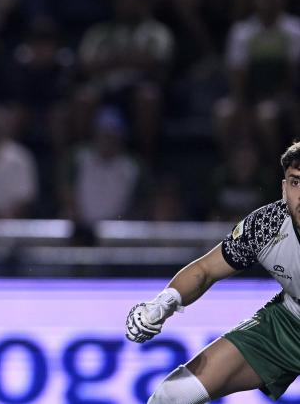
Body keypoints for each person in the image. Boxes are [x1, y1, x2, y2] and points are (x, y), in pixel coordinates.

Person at [126, 141, 300, 402]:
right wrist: (163, 303)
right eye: (296, 182)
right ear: (284, 189)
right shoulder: (268, 226)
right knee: (172, 395)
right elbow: (206, 269)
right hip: (290, 323)